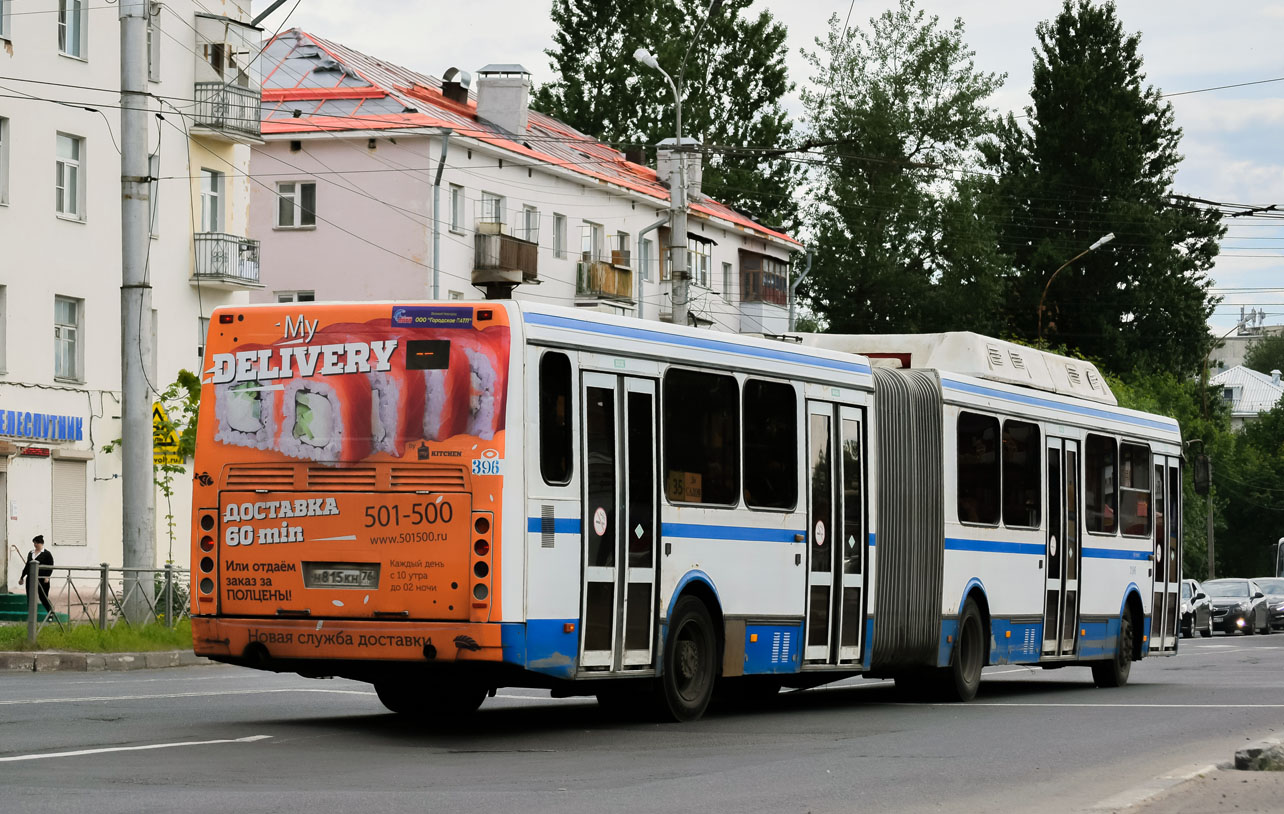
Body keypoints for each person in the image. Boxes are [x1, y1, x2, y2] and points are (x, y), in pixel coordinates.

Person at [18, 534, 54, 620]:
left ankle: (50, 612)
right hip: (31, 578)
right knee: (30, 596)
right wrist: (22, 576)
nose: (35, 545)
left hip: (41, 578)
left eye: (36, 543)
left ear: (41, 543)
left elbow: (50, 566)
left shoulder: (47, 554)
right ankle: (31, 616)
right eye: (34, 543)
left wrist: (47, 576)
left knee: (43, 596)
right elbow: (27, 565)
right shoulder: (31, 553)